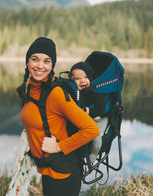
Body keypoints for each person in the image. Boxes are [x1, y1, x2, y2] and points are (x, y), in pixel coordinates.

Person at [17, 37, 99, 196]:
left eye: (46, 61)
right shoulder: (33, 89)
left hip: (63, 173)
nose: (40, 65)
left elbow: (91, 129)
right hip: (49, 169)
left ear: (52, 65)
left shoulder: (56, 93)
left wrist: (58, 146)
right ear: (27, 62)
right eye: (35, 59)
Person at [69, 62, 108, 163]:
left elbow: (101, 107)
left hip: (99, 120)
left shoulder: (95, 93)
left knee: (95, 137)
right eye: (77, 79)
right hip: (84, 120)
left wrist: (90, 111)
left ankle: (93, 154)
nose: (82, 81)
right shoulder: (74, 93)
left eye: (86, 77)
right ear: (72, 81)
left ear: (91, 78)